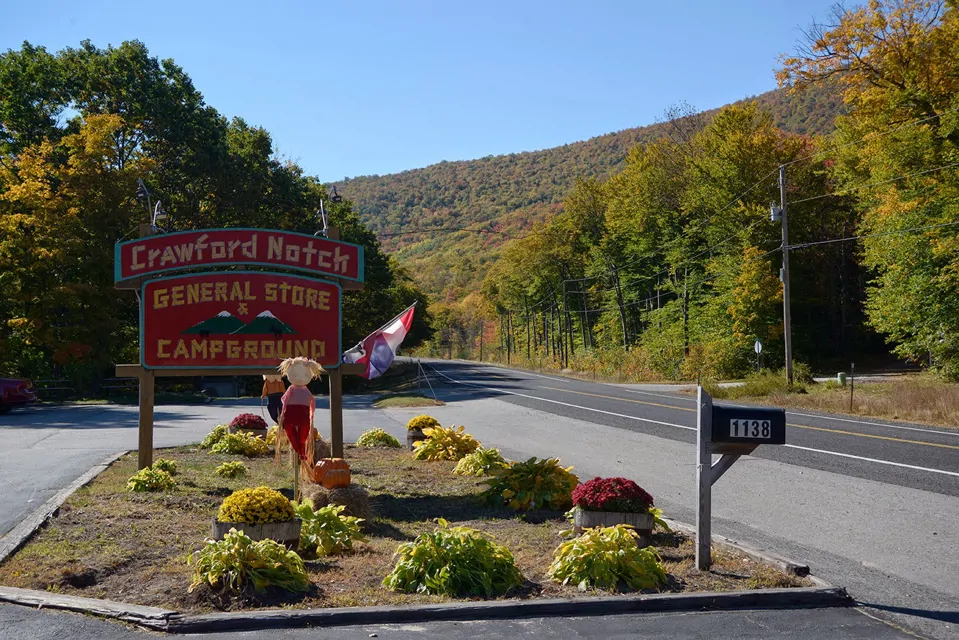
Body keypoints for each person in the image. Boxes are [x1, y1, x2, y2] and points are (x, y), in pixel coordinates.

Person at [277, 357, 322, 461]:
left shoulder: (295, 389)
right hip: (301, 415)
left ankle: (300, 450)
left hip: (294, 415)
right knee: (298, 434)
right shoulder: (296, 389)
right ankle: (300, 451)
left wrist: (283, 412)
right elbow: (312, 401)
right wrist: (311, 413)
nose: (300, 378)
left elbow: (284, 400)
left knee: (296, 433)